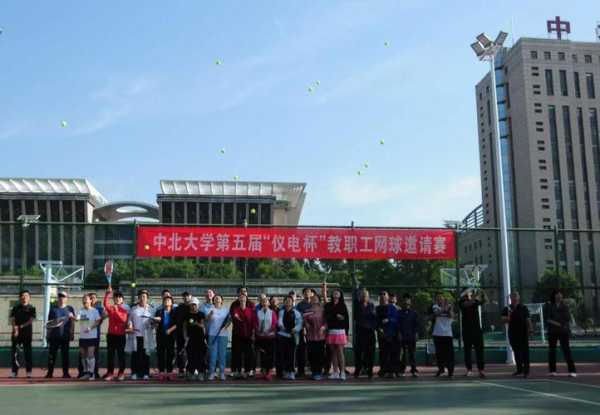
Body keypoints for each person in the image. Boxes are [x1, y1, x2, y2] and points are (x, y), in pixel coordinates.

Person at [544, 289, 576, 377]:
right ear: (554, 296)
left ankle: (572, 371)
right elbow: (548, 319)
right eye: (557, 294)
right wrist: (558, 324)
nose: (559, 296)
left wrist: (564, 325)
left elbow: (567, 318)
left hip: (563, 332)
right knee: (552, 351)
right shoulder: (549, 306)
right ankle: (552, 370)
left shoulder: (565, 306)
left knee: (566, 350)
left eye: (560, 294)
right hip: (552, 331)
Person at [126, 289, 156, 381]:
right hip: (136, 335)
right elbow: (129, 320)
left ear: (147, 298)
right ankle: (134, 373)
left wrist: (153, 324)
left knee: (145, 355)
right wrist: (130, 325)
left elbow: (154, 323)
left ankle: (145, 373)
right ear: (138, 298)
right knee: (135, 355)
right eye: (140, 296)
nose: (142, 298)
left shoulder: (152, 309)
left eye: (144, 296)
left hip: (146, 336)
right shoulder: (133, 309)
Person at [502, 291, 533, 378]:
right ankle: (519, 369)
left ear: (519, 297)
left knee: (525, 352)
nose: (515, 298)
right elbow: (503, 320)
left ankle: (526, 371)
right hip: (513, 333)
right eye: (513, 296)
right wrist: (508, 317)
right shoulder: (507, 308)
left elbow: (528, 319)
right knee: (516, 352)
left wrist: (531, 329)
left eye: (516, 296)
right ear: (510, 298)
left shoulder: (523, 308)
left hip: (523, 332)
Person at [46, 291, 75, 379]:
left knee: (65, 355)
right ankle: (50, 373)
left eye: (63, 296)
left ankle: (65, 373)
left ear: (67, 298)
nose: (61, 298)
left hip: (65, 336)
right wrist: (48, 335)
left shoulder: (70, 309)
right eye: (60, 296)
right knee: (52, 355)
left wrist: (72, 333)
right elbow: (50, 323)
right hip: (54, 336)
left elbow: (72, 322)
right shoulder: (53, 309)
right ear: (58, 298)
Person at [458, 288, 486, 378]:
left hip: (477, 330)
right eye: (467, 292)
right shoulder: (461, 301)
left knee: (479, 351)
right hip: (467, 330)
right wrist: (475, 297)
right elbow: (467, 304)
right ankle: (469, 370)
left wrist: (482, 293)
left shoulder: (475, 301)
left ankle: (481, 370)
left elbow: (484, 301)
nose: (469, 293)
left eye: (469, 291)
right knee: (467, 351)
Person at [103, 286, 129, 381]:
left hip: (121, 336)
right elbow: (105, 304)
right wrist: (107, 293)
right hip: (111, 335)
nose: (117, 299)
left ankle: (121, 373)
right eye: (116, 297)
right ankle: (110, 373)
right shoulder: (111, 308)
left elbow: (122, 320)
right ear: (113, 299)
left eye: (119, 297)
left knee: (121, 355)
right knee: (110, 355)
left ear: (122, 300)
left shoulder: (124, 311)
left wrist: (116, 309)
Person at [324, 287, 349, 380]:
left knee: (340, 352)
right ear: (332, 295)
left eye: (337, 292)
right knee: (333, 352)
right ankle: (335, 372)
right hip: (331, 331)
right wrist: (335, 316)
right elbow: (327, 316)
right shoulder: (328, 305)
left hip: (340, 331)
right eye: (334, 292)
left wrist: (346, 332)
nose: (336, 293)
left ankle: (342, 372)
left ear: (340, 295)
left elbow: (346, 319)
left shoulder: (343, 305)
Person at [9, 290, 36, 378]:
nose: (24, 297)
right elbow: (12, 319)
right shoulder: (15, 308)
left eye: (26, 296)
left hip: (27, 334)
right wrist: (15, 328)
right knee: (15, 353)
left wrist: (21, 326)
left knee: (28, 353)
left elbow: (31, 320)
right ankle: (14, 372)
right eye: (23, 296)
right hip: (16, 334)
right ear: (20, 297)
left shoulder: (32, 308)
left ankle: (29, 372)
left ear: (29, 298)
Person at [76, 294, 102, 380]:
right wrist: (73, 317)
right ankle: (86, 372)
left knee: (90, 354)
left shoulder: (95, 311)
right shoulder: (80, 310)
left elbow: (98, 322)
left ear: (90, 301)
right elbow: (77, 319)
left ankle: (92, 373)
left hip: (92, 336)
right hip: (82, 337)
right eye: (83, 299)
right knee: (83, 355)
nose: (85, 301)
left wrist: (90, 328)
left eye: (86, 299)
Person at [231, 293, 257, 379]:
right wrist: (241, 319)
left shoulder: (251, 310)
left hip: (248, 336)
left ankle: (247, 371)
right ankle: (238, 371)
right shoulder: (235, 309)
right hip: (238, 335)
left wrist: (253, 333)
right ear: (238, 299)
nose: (242, 299)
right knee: (237, 354)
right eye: (240, 297)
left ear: (246, 299)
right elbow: (235, 317)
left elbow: (253, 322)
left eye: (244, 297)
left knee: (248, 354)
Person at [277, 295, 303, 380]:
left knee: (291, 355)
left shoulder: (296, 312)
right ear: (284, 302)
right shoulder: (281, 312)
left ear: (292, 302)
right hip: (283, 335)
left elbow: (300, 323)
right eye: (286, 301)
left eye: (289, 301)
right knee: (283, 355)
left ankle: (291, 372)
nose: (288, 302)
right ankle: (285, 371)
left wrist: (295, 329)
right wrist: (281, 326)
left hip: (292, 336)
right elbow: (280, 320)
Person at [302, 293, 327, 380]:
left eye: (316, 298)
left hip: (320, 336)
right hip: (310, 336)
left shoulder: (323, 310)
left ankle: (319, 372)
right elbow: (304, 320)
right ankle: (314, 372)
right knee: (311, 354)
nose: (314, 300)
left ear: (319, 300)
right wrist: (306, 324)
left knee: (320, 354)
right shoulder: (307, 310)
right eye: (312, 299)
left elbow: (326, 321)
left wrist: (323, 327)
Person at [353, 289, 377, 379]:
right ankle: (358, 369)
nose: (364, 297)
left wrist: (373, 326)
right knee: (359, 352)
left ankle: (369, 370)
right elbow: (355, 294)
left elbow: (374, 317)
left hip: (370, 332)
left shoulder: (371, 305)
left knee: (370, 352)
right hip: (360, 331)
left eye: (366, 295)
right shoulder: (357, 305)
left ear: (368, 297)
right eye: (362, 295)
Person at [376, 291, 399, 377]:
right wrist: (379, 329)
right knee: (383, 353)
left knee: (392, 353)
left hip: (391, 334)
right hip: (381, 334)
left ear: (387, 297)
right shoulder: (377, 308)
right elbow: (376, 320)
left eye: (384, 295)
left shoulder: (393, 308)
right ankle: (383, 369)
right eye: (381, 295)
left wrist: (389, 320)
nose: (382, 297)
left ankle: (392, 371)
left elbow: (396, 320)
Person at [206, 295, 230, 381]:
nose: (217, 299)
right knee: (213, 355)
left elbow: (229, 320)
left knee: (222, 355)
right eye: (215, 298)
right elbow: (207, 319)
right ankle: (212, 373)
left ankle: (222, 373)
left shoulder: (226, 310)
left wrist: (225, 327)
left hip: (223, 335)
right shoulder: (211, 309)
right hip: (212, 335)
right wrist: (210, 314)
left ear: (222, 300)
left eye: (219, 298)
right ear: (213, 301)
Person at [431, 294, 455, 378]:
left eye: (441, 299)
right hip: (438, 333)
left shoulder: (449, 307)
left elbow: (452, 315)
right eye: (438, 299)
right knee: (439, 354)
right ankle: (441, 369)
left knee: (449, 354)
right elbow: (436, 313)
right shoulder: (435, 306)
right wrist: (445, 308)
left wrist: (449, 309)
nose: (440, 301)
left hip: (448, 334)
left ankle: (450, 371)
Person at [255, 293, 278, 380]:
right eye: (263, 302)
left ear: (268, 303)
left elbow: (274, 323)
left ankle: (269, 372)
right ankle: (263, 372)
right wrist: (258, 330)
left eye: (266, 302)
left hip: (270, 337)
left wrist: (268, 331)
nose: (264, 303)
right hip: (261, 337)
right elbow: (255, 323)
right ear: (261, 303)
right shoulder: (258, 312)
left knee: (269, 355)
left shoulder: (272, 312)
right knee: (262, 355)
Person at [155, 295, 177, 381]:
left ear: (171, 303)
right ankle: (161, 372)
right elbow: (156, 324)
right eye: (165, 300)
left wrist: (170, 330)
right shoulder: (159, 312)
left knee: (170, 354)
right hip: (160, 336)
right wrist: (156, 321)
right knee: (161, 354)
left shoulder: (174, 312)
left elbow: (177, 324)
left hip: (171, 337)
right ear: (163, 302)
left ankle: (169, 372)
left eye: (169, 300)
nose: (167, 302)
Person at [185, 298, 208, 380]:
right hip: (190, 339)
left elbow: (203, 326)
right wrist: (185, 337)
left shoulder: (201, 314)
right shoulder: (187, 315)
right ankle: (191, 372)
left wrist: (197, 324)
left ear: (198, 305)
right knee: (191, 356)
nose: (193, 306)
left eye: (195, 305)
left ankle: (201, 373)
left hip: (200, 339)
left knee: (200, 356)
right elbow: (184, 327)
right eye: (192, 305)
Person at [398, 293, 418, 377]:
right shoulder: (399, 312)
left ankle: (413, 370)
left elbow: (416, 325)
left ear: (410, 302)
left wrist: (416, 334)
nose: (406, 302)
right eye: (405, 300)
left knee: (412, 353)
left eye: (408, 300)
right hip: (402, 336)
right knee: (403, 354)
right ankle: (402, 370)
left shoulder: (414, 313)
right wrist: (399, 333)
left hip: (411, 336)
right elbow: (398, 324)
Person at [173, 291, 193, 377]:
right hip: (180, 333)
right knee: (180, 351)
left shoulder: (193, 307)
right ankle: (181, 370)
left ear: (191, 297)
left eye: (187, 296)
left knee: (191, 352)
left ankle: (190, 370)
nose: (186, 298)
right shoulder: (179, 308)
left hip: (191, 334)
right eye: (184, 296)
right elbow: (175, 320)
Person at [295, 287, 314, 378]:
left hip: (314, 331)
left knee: (313, 350)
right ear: (303, 294)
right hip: (303, 330)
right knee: (301, 350)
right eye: (305, 292)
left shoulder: (315, 304)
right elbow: (299, 318)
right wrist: (303, 327)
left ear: (311, 293)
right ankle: (301, 370)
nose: (307, 294)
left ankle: (314, 370)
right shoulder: (300, 305)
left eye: (308, 292)